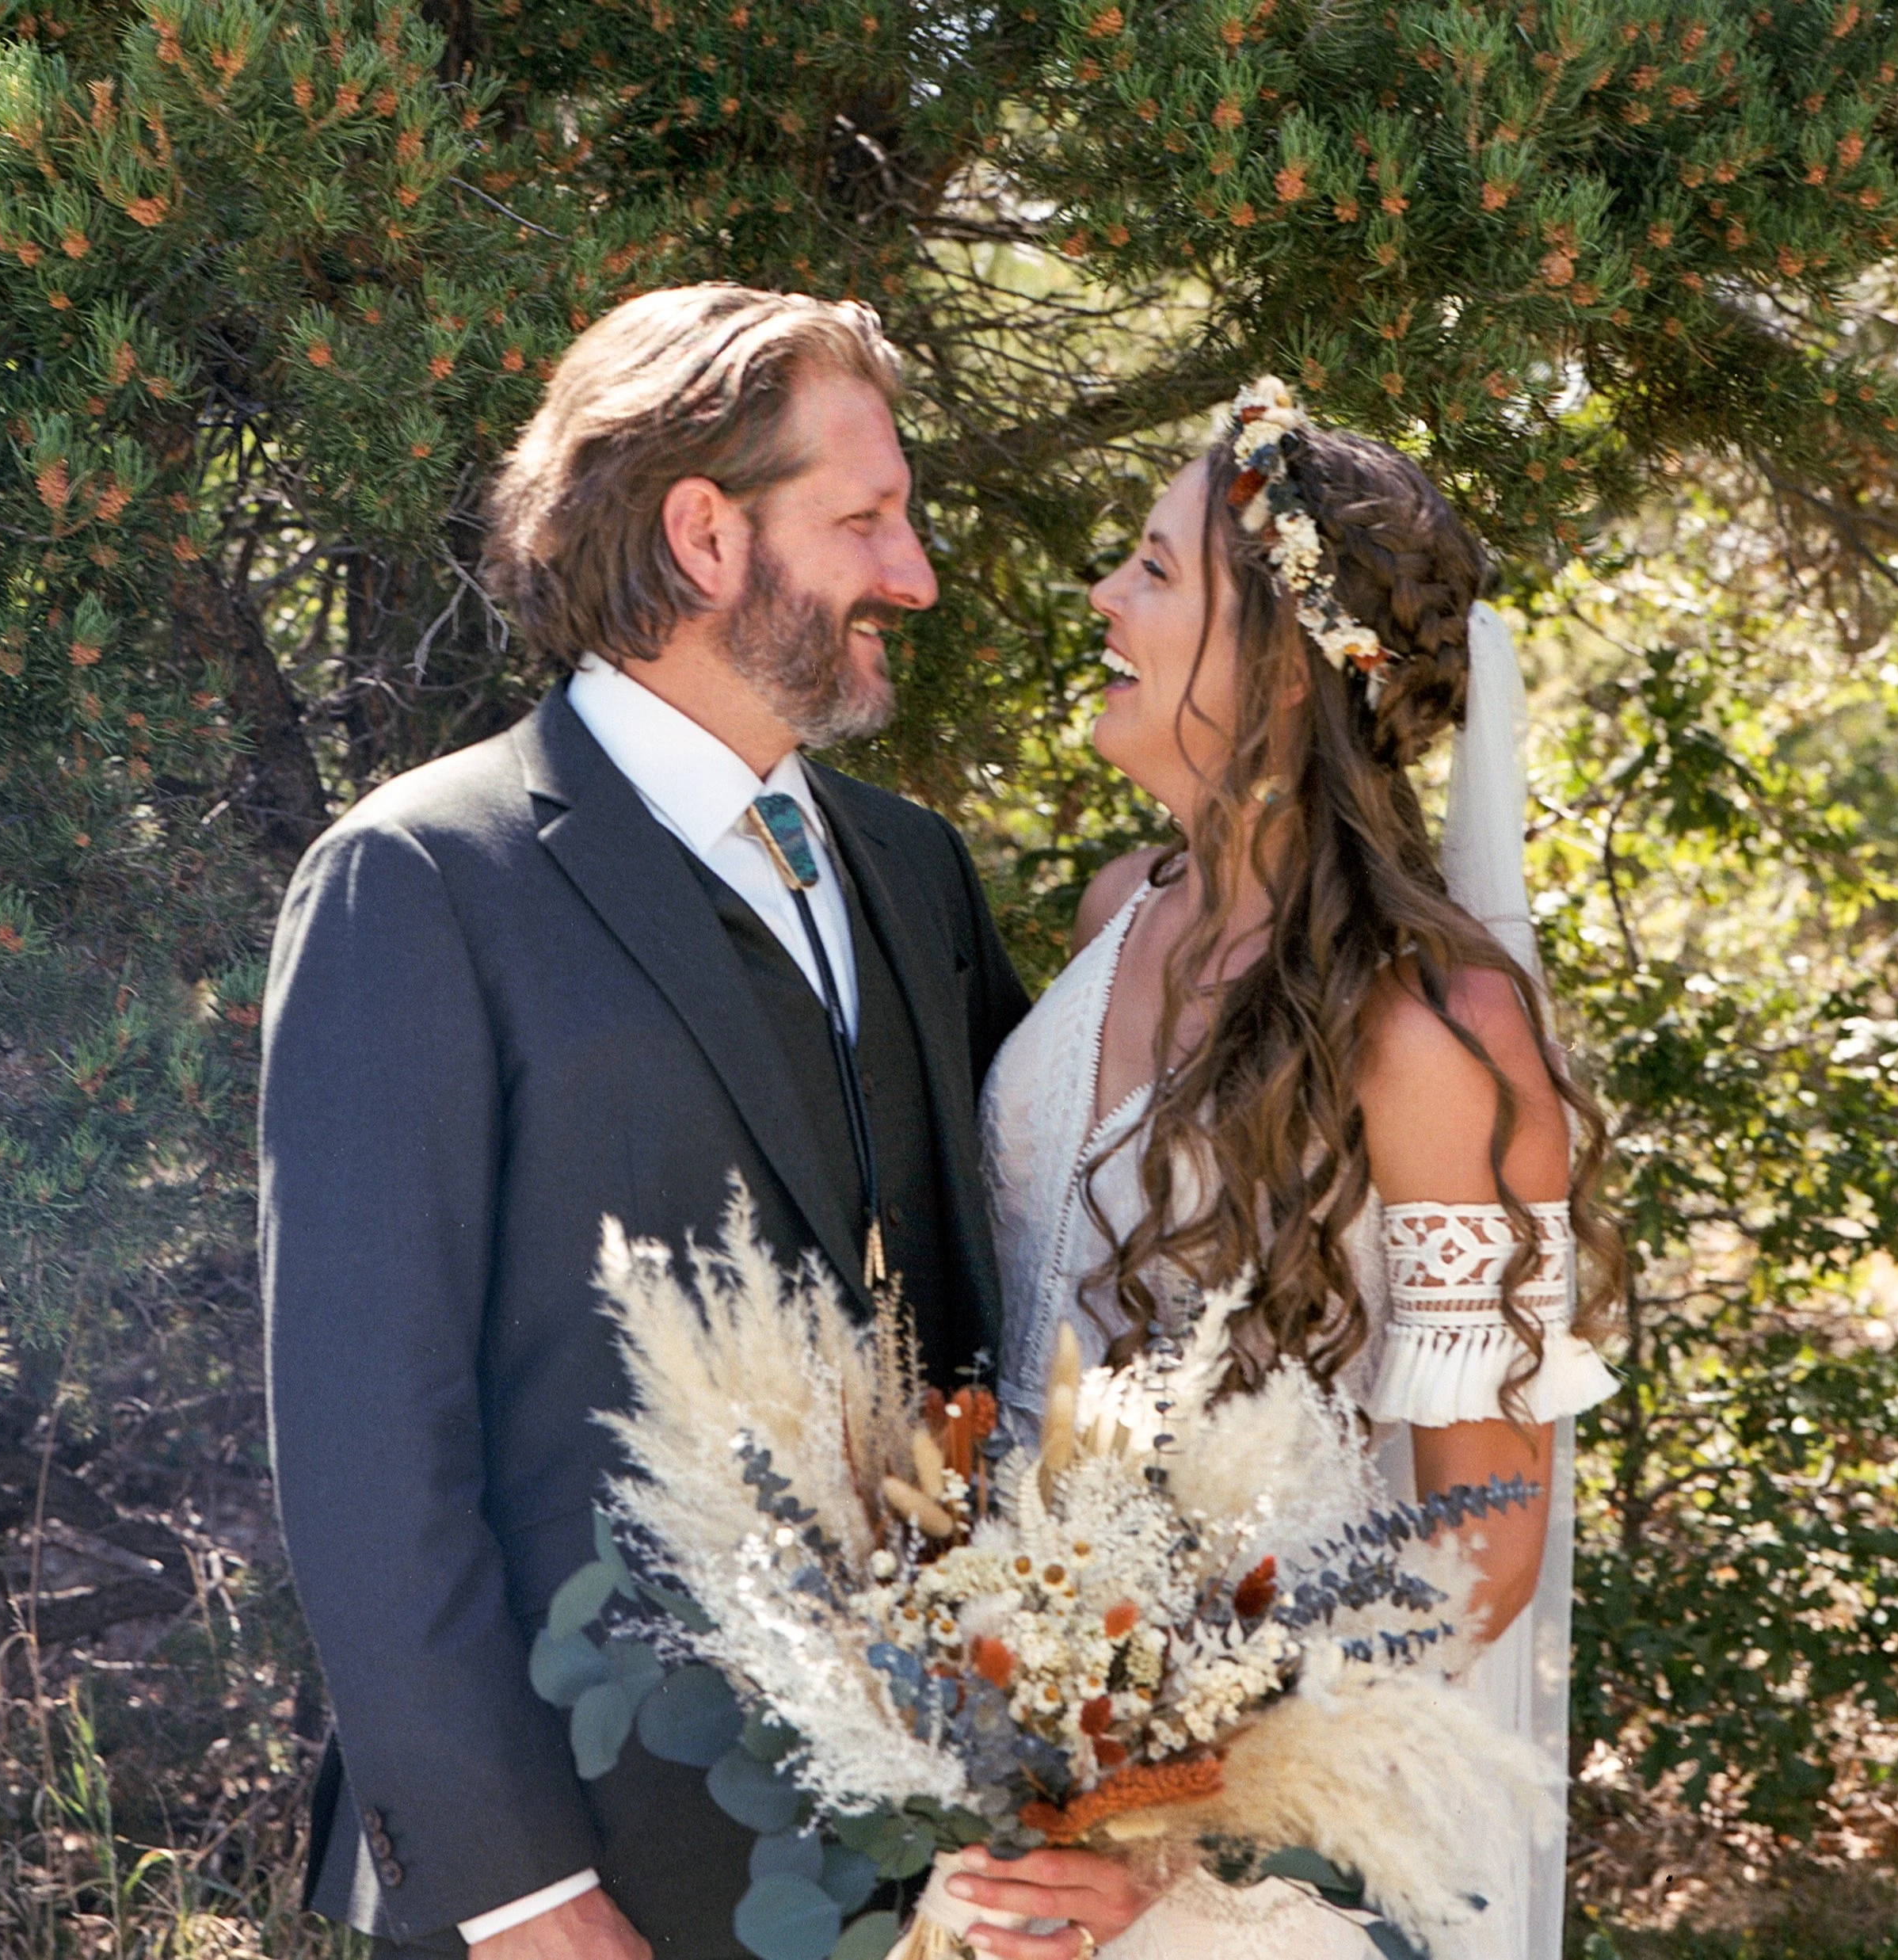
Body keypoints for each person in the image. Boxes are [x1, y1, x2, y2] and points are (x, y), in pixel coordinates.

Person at [260, 286, 1033, 1960]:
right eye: (864, 518)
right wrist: (517, 1888)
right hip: (579, 1888)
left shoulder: (911, 871)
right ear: (701, 533)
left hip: (932, 1874)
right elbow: (362, 1443)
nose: (911, 572)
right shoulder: (421, 882)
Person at [948, 383, 1622, 1959]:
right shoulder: (1124, 896)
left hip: (1233, 1858)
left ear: (1271, 657)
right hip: (1002, 1752)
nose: (1102, 597)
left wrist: (1186, 1816)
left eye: (1152, 570)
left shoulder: (1432, 1022)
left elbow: (1484, 1536)